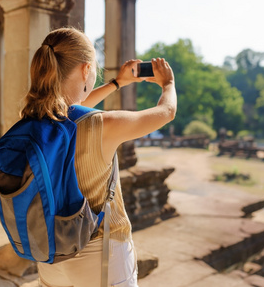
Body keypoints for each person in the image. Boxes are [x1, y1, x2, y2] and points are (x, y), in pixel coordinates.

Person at [20, 27, 176, 287]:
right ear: (85, 70)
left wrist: (117, 83)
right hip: (100, 255)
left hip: (50, 253)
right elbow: (167, 111)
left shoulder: (33, 121)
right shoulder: (102, 126)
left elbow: (71, 106)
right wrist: (168, 84)